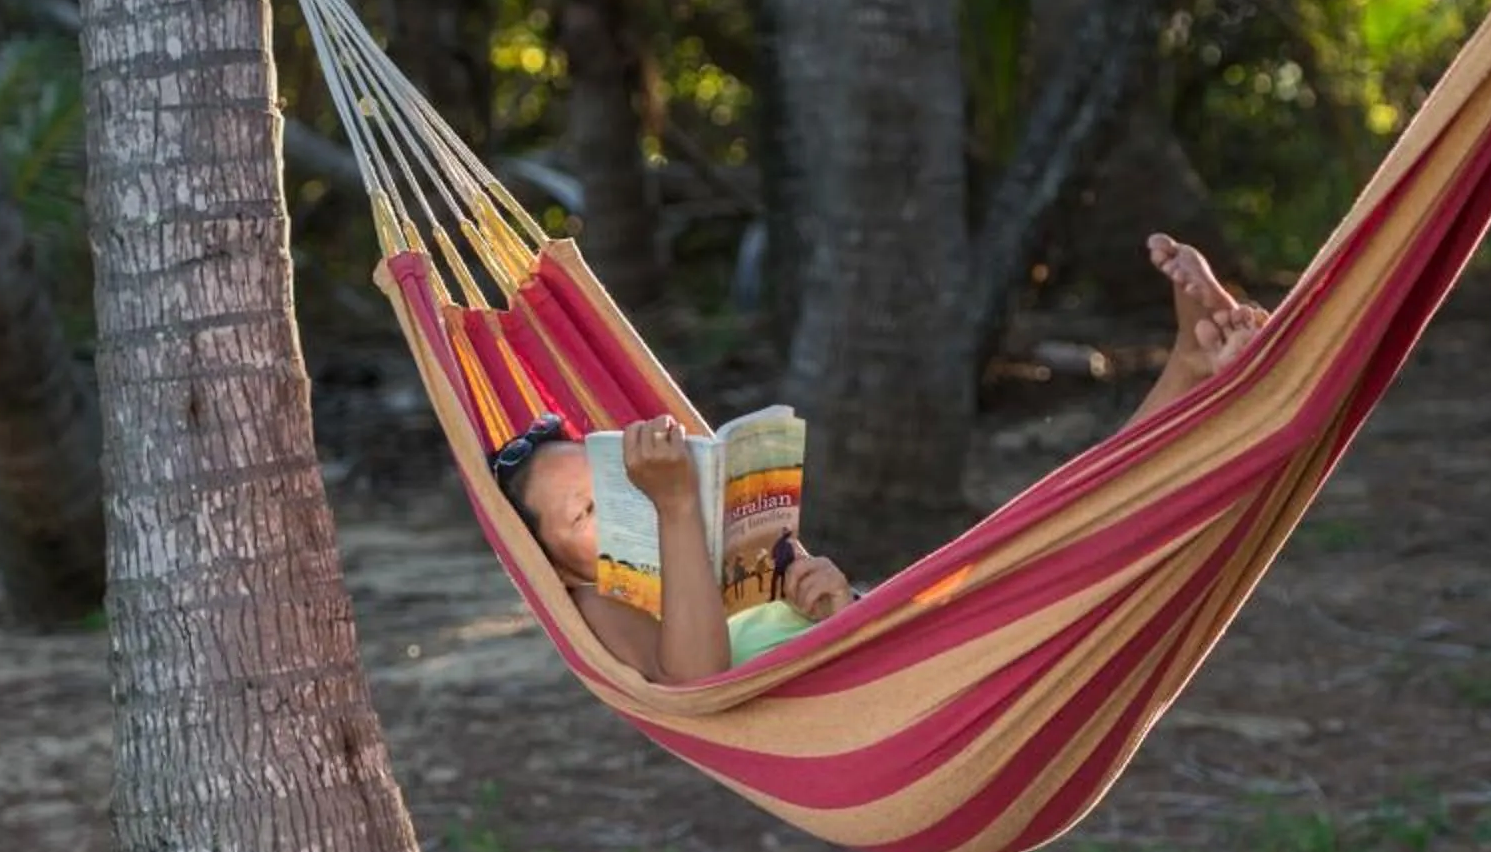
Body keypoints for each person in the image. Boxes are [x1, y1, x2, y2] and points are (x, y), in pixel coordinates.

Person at [493, 235, 1267, 686]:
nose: (615, 501)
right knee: (1065, 553)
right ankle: (1193, 382)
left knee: (1051, 536)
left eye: (611, 480)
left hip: (899, 663)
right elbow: (699, 686)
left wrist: (837, 604)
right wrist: (669, 507)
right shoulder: (604, 605)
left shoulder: (726, 558)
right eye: (588, 512)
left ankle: (1190, 377)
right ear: (558, 568)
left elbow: (839, 652)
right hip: (894, 704)